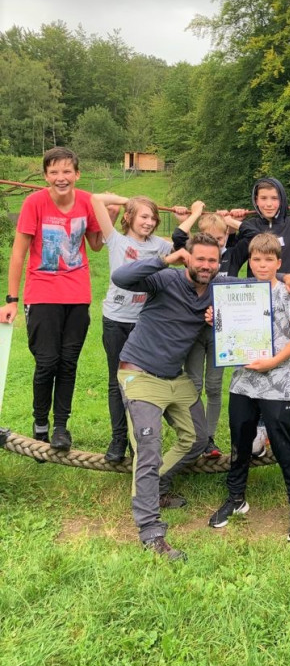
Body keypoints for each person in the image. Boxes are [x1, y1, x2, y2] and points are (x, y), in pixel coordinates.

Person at [112, 233, 222, 561]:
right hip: (140, 373)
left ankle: (154, 485)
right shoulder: (165, 279)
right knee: (149, 446)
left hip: (175, 377)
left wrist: (287, 276)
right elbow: (121, 278)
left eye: (212, 260)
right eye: (199, 258)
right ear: (186, 257)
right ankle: (150, 532)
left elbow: (255, 287)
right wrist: (163, 259)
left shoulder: (219, 288)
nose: (206, 266)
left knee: (198, 438)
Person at [209, 233, 290, 542]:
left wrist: (274, 360)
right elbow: (228, 330)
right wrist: (215, 319)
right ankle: (236, 498)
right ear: (249, 262)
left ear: (279, 263)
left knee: (284, 446)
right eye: (256, 259)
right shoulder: (239, 291)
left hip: (278, 384)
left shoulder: (287, 292)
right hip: (243, 381)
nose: (262, 264)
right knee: (240, 444)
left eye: (269, 260)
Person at [0, 147, 103, 451]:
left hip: (77, 295)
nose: (61, 177)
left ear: (77, 174)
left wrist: (107, 214)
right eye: (54, 172)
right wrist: (11, 299)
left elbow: (96, 244)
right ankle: (40, 423)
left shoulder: (87, 202)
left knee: (68, 363)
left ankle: (61, 427)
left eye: (67, 171)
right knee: (47, 363)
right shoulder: (35, 203)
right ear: (46, 176)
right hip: (42, 293)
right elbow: (18, 254)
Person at [236, 177, 290, 456]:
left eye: (274, 198)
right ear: (255, 201)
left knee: (284, 360)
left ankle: (280, 427)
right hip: (257, 304)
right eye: (263, 198)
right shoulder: (251, 227)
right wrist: (230, 222)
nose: (268, 204)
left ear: (282, 199)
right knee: (260, 357)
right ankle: (260, 429)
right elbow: (245, 258)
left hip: (287, 303)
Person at [91, 192, 173, 463]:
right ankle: (118, 439)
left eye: (153, 217)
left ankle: (142, 440)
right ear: (129, 218)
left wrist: (189, 216)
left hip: (145, 324)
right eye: (143, 216)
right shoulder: (116, 240)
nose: (149, 222)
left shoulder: (161, 246)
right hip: (116, 320)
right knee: (117, 382)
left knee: (141, 385)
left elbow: (186, 247)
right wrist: (126, 200)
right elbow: (95, 199)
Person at [171, 202, 246, 457]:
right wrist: (192, 215)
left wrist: (234, 219)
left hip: (221, 333)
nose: (216, 241)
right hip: (193, 330)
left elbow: (255, 239)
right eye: (211, 237)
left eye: (221, 237)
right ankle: (196, 436)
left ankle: (210, 439)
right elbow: (178, 237)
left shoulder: (233, 254)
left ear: (227, 237)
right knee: (194, 384)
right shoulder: (195, 256)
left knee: (214, 387)